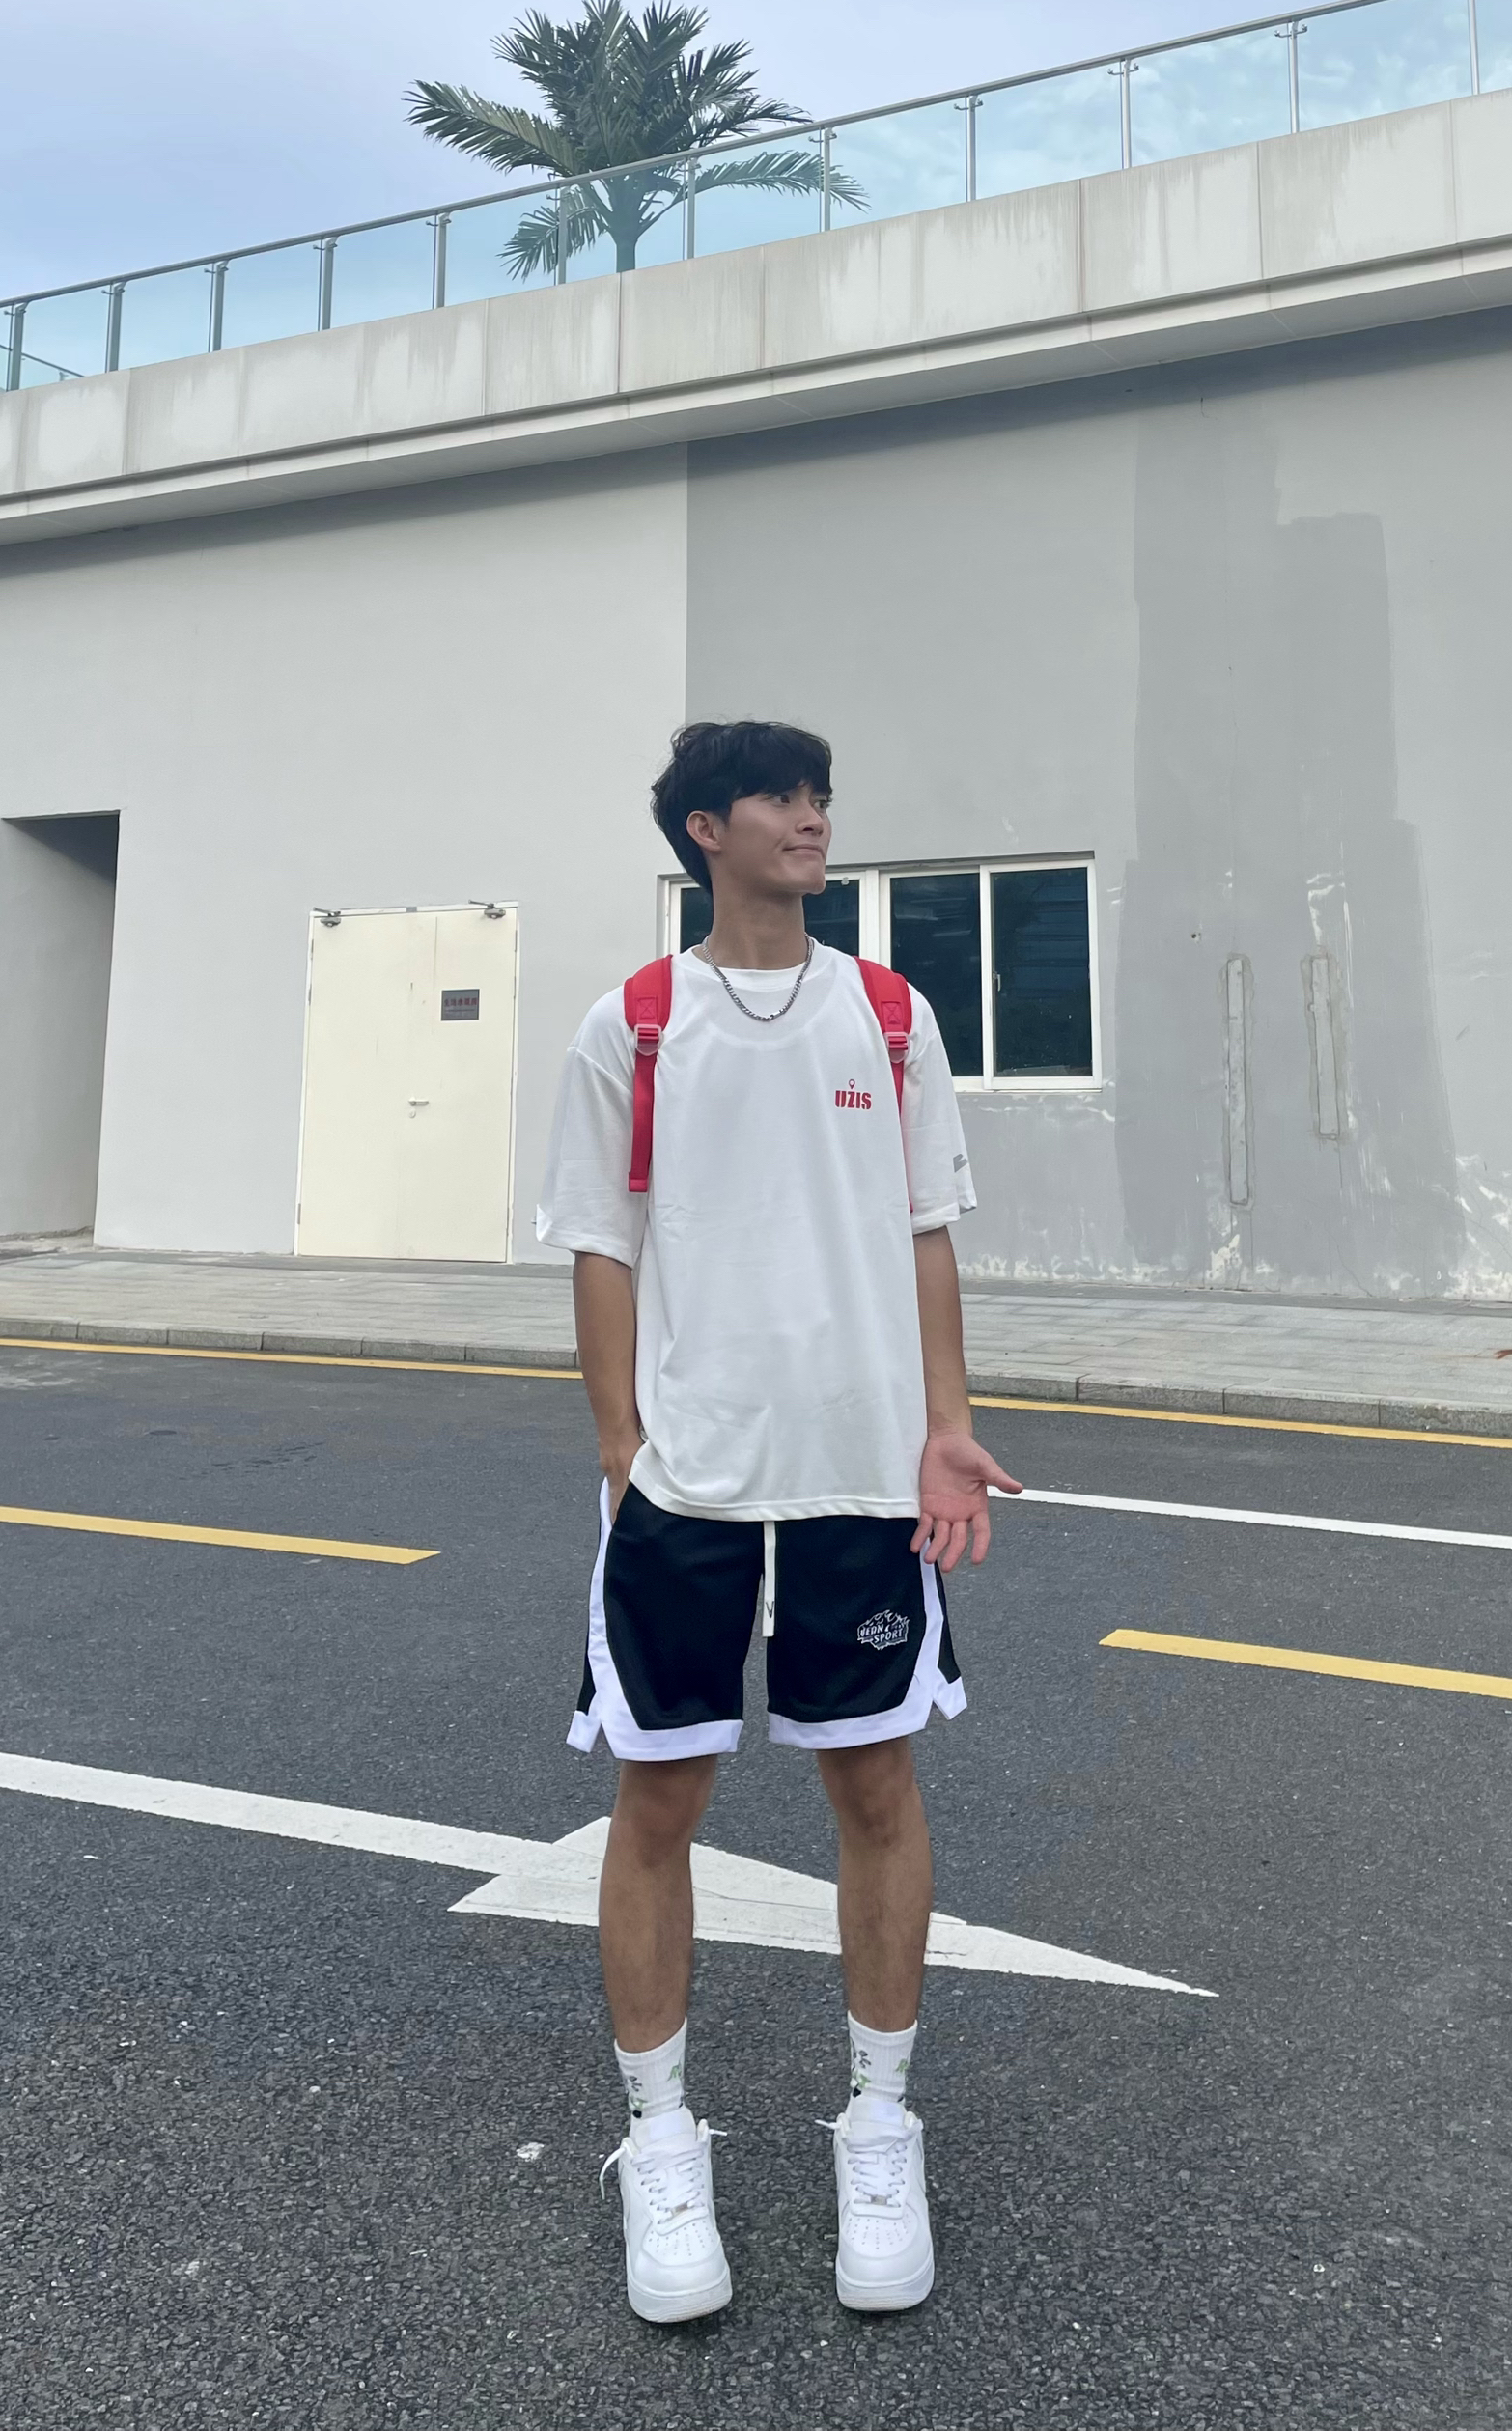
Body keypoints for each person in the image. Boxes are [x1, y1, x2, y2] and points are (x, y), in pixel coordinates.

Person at [537, 718, 1020, 2324]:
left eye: (821, 798)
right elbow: (600, 1247)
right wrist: (622, 1446)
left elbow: (928, 1229)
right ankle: (661, 2142)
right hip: (688, 1486)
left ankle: (880, 2123)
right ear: (705, 830)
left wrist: (945, 1426)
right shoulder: (634, 1022)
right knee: (659, 1799)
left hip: (861, 1481)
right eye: (781, 798)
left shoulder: (888, 1012)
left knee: (875, 1783)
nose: (813, 820)